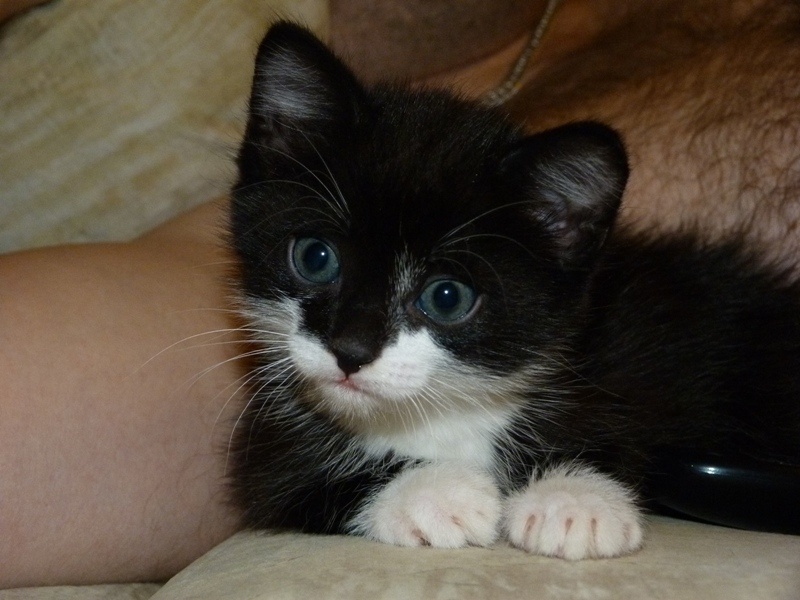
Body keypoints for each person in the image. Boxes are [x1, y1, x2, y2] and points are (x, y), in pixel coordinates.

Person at [1, 0, 798, 588]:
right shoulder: (290, 421)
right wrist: (383, 495)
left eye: (443, 300)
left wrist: (577, 478)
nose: (351, 344)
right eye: (316, 260)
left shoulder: (617, 356)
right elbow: (280, 485)